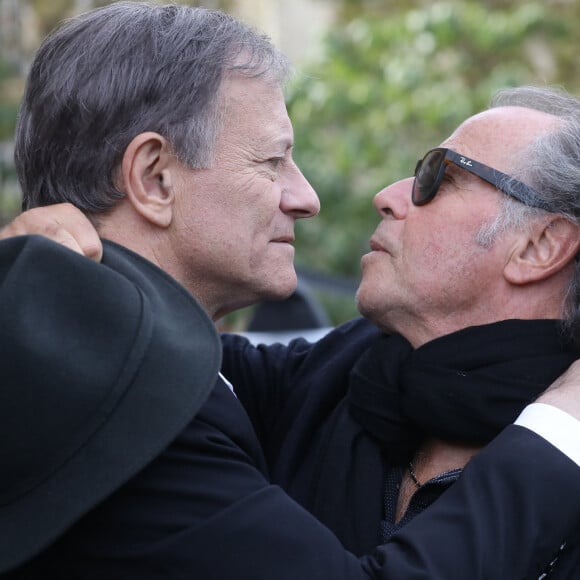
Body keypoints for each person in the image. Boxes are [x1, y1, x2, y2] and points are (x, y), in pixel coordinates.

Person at [1, 2, 580, 578]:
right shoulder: (115, 380)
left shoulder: (305, 382)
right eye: (273, 159)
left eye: (437, 177)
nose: (308, 199)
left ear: (541, 246)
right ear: (154, 177)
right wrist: (559, 428)